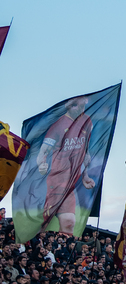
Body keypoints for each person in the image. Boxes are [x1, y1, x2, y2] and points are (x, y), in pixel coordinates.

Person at [36, 97, 95, 235]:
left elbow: (85, 151)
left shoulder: (87, 122)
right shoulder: (59, 125)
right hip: (56, 180)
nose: (81, 109)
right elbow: (43, 151)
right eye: (77, 106)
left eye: (83, 106)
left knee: (69, 223)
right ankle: (33, 248)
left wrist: (85, 175)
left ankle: (60, 253)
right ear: (69, 107)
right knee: (44, 223)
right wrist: (41, 164)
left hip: (70, 183)